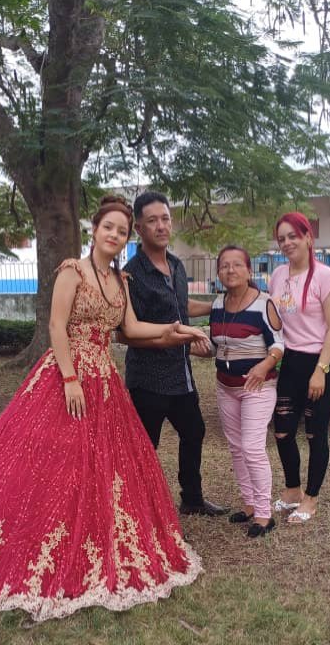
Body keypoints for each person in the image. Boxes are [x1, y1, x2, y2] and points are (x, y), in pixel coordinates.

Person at [0, 195, 207, 622]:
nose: (115, 235)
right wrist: (70, 378)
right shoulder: (72, 270)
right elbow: (57, 326)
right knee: (53, 461)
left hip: (105, 380)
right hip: (64, 376)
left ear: (127, 238)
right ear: (95, 229)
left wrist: (174, 329)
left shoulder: (121, 280)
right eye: (109, 227)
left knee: (103, 465)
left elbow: (130, 328)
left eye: (122, 231)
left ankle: (92, 532)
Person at [120, 191, 229, 517]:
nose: (161, 226)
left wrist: (218, 305)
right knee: (145, 446)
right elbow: (127, 333)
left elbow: (182, 306)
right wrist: (169, 340)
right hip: (148, 379)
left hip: (181, 376)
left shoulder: (177, 266)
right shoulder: (131, 273)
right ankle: (138, 508)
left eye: (165, 219)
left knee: (194, 431)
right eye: (152, 220)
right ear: (139, 228)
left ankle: (192, 499)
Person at [203, 246, 284, 538]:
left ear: (249, 270)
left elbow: (278, 344)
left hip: (257, 388)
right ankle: (249, 505)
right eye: (224, 266)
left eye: (237, 264)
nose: (230, 270)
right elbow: (216, 346)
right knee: (236, 448)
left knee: (252, 447)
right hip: (226, 387)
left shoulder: (264, 303)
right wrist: (191, 344)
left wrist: (264, 366)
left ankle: (264, 515)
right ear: (219, 273)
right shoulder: (218, 304)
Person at [269, 212, 330, 524]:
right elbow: (274, 321)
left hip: (320, 362)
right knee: (283, 430)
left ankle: (311, 499)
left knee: (315, 433)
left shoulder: (326, 277)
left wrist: (320, 370)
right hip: (292, 362)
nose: (287, 243)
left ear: (308, 238)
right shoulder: (277, 275)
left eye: (293, 236)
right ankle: (292, 491)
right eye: (281, 238)